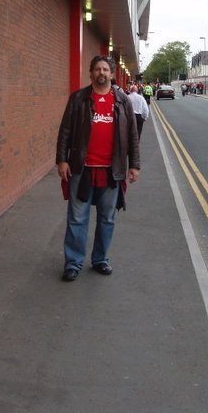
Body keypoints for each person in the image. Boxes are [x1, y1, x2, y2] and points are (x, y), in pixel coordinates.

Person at [56, 55, 140, 281]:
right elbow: (65, 131)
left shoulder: (123, 101)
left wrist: (135, 165)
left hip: (112, 171)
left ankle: (100, 259)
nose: (101, 73)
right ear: (91, 73)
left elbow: (132, 135)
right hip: (81, 169)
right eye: (97, 69)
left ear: (112, 74)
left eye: (105, 69)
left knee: (107, 219)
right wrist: (62, 160)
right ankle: (73, 262)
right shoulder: (78, 99)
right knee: (77, 218)